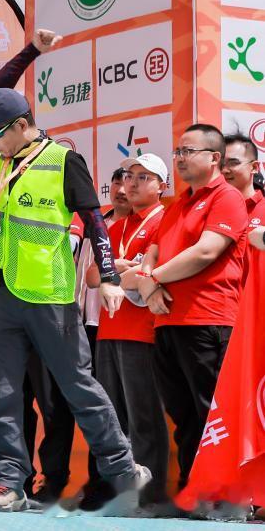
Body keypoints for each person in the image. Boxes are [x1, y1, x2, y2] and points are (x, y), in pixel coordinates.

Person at [0, 28, 148, 513]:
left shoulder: (63, 161)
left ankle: (123, 470)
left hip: (50, 297)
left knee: (78, 387)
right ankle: (7, 483)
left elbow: (95, 221)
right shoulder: (3, 159)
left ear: (21, 125)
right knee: (2, 395)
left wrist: (111, 278)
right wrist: (32, 51)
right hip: (0, 293)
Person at [134, 124, 248, 490]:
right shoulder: (178, 204)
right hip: (168, 323)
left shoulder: (226, 197)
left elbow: (206, 251)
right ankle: (192, 489)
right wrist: (149, 282)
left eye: (188, 151)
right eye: (178, 152)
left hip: (207, 319)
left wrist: (153, 279)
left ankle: (225, 494)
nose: (180, 158)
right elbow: (152, 250)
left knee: (212, 413)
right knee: (183, 415)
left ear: (214, 158)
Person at [91, 154, 170, 506]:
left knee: (144, 418)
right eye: (128, 176)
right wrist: (121, 272)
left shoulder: (164, 221)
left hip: (143, 331)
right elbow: (92, 277)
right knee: (113, 421)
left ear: (161, 186)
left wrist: (116, 274)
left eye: (143, 177)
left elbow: (148, 275)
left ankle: (149, 498)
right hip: (108, 330)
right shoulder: (115, 227)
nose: (132, 183)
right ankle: (122, 493)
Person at [221, 133, 263, 218]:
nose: (224, 170)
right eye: (221, 164)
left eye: (233, 163)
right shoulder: (206, 207)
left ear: (254, 167)